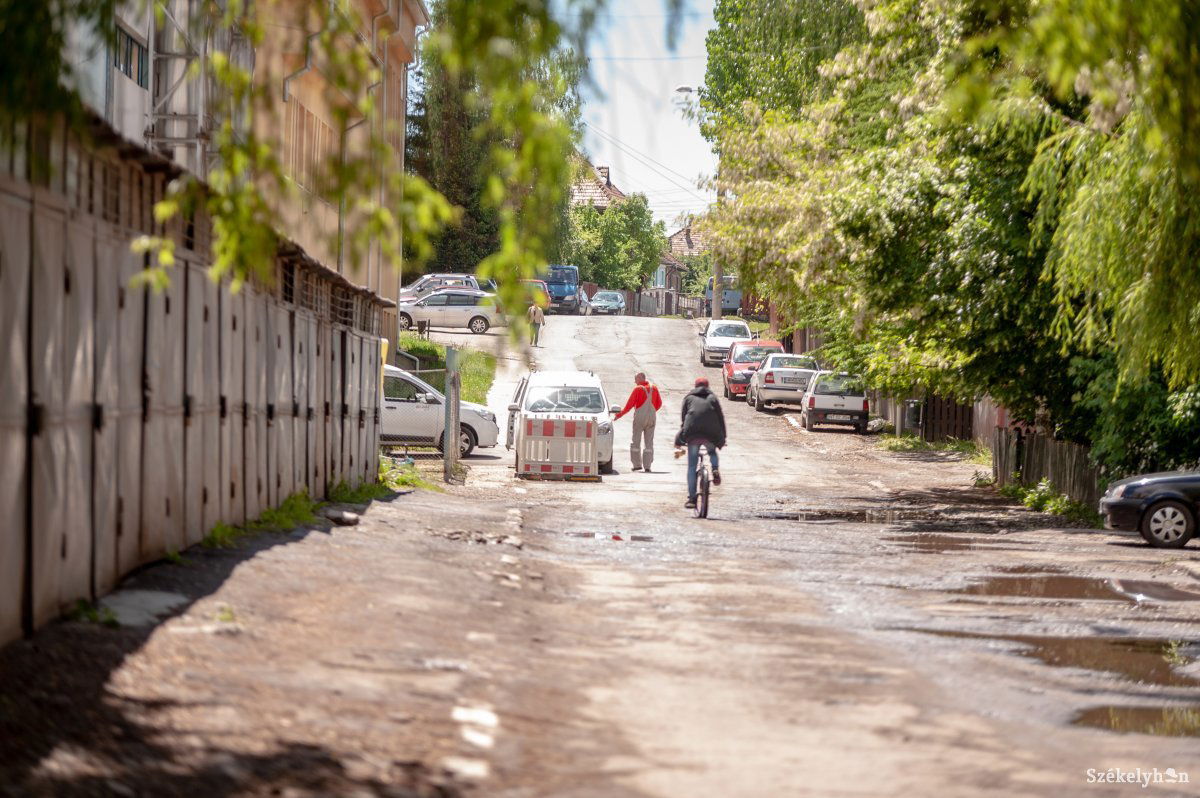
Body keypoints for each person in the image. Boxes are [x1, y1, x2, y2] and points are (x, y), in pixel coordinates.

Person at [674, 377, 726, 509]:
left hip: (693, 434)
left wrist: (682, 436)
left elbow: (684, 419)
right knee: (712, 451)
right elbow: (720, 418)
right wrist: (722, 437)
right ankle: (714, 469)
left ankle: (692, 498)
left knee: (692, 467)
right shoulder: (713, 398)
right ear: (708, 386)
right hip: (711, 433)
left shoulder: (688, 398)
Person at [613, 372, 663, 472]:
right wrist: (651, 412)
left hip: (640, 418)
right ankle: (648, 466)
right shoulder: (655, 388)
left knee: (636, 441)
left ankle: (637, 465)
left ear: (640, 378)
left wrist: (619, 415)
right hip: (651, 418)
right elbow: (659, 404)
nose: (635, 381)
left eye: (635, 379)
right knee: (649, 443)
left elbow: (629, 405)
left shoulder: (638, 389)